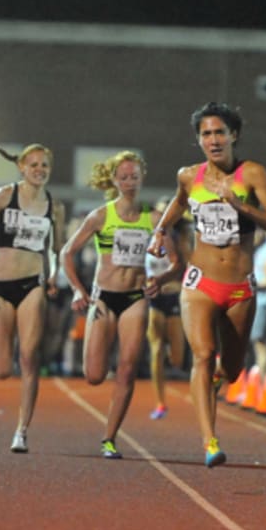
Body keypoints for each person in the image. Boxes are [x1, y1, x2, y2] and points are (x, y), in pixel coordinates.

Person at [148, 103, 266, 467]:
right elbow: (179, 204)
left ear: (233, 136)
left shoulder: (252, 173)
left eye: (219, 133)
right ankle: (210, 441)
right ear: (199, 140)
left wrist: (243, 207)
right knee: (204, 355)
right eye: (206, 134)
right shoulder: (188, 176)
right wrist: (161, 230)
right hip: (200, 281)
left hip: (240, 286)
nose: (213, 140)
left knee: (233, 369)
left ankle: (213, 386)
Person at [61, 151, 176, 459]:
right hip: (103, 298)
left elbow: (178, 262)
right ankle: (107, 419)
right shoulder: (100, 216)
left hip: (135, 299)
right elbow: (66, 254)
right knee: (94, 375)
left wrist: (161, 280)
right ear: (114, 180)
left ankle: (109, 438)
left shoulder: (154, 219)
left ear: (142, 178)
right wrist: (77, 290)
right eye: (123, 177)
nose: (129, 182)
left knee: (126, 371)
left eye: (134, 177)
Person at [0, 141, 65, 454]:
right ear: (22, 167)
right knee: (2, 370)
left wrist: (53, 275)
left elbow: (56, 248)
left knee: (29, 357)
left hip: (32, 285)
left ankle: (21, 430)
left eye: (44, 166)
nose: (39, 171)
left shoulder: (54, 205)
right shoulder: (5, 195)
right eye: (33, 165)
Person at [146, 198, 190, 419]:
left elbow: (189, 267)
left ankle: (174, 360)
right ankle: (160, 402)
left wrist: (178, 284)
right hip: (155, 300)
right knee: (155, 349)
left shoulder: (181, 240)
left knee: (177, 358)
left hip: (174, 297)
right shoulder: (148, 238)